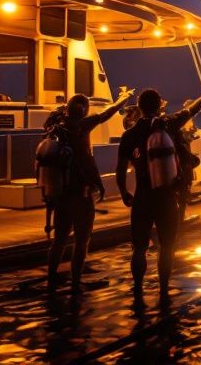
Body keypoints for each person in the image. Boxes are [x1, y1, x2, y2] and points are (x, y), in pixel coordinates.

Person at [115, 85, 201, 302]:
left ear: (139, 108)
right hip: (167, 197)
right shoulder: (169, 124)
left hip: (143, 196)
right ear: (159, 105)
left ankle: (138, 290)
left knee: (139, 248)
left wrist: (124, 192)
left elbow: (120, 167)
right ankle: (163, 290)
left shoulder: (130, 134)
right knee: (168, 246)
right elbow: (193, 109)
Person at [46, 90, 134, 292]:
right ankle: (76, 283)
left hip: (60, 194)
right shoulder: (81, 126)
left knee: (59, 240)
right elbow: (107, 114)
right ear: (84, 110)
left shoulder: (56, 127)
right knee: (82, 240)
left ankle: (52, 279)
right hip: (80, 194)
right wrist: (123, 99)